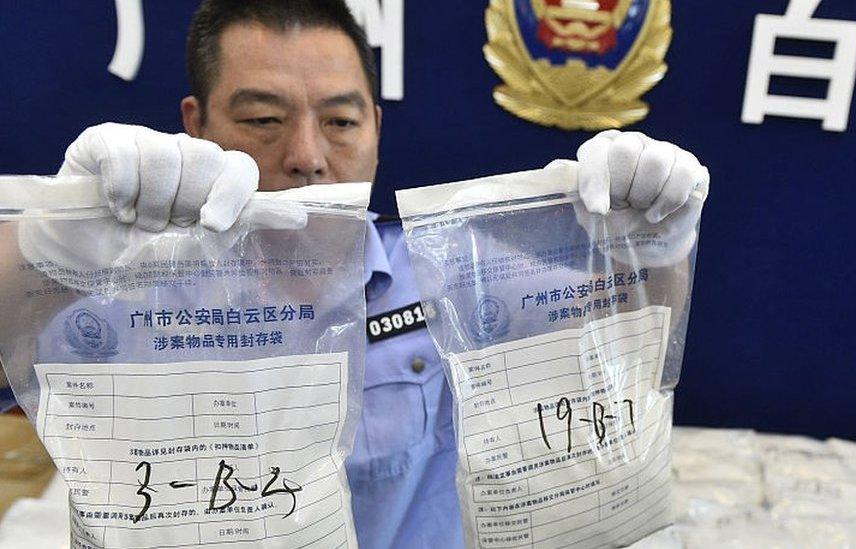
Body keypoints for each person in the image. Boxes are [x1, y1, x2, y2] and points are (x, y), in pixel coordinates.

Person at [35, 1, 710, 547]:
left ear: (377, 130)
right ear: (198, 123)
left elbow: (631, 348)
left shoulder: (451, 277)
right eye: (263, 119)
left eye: (339, 121)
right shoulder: (126, 292)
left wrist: (654, 250)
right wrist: (44, 251)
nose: (306, 155)